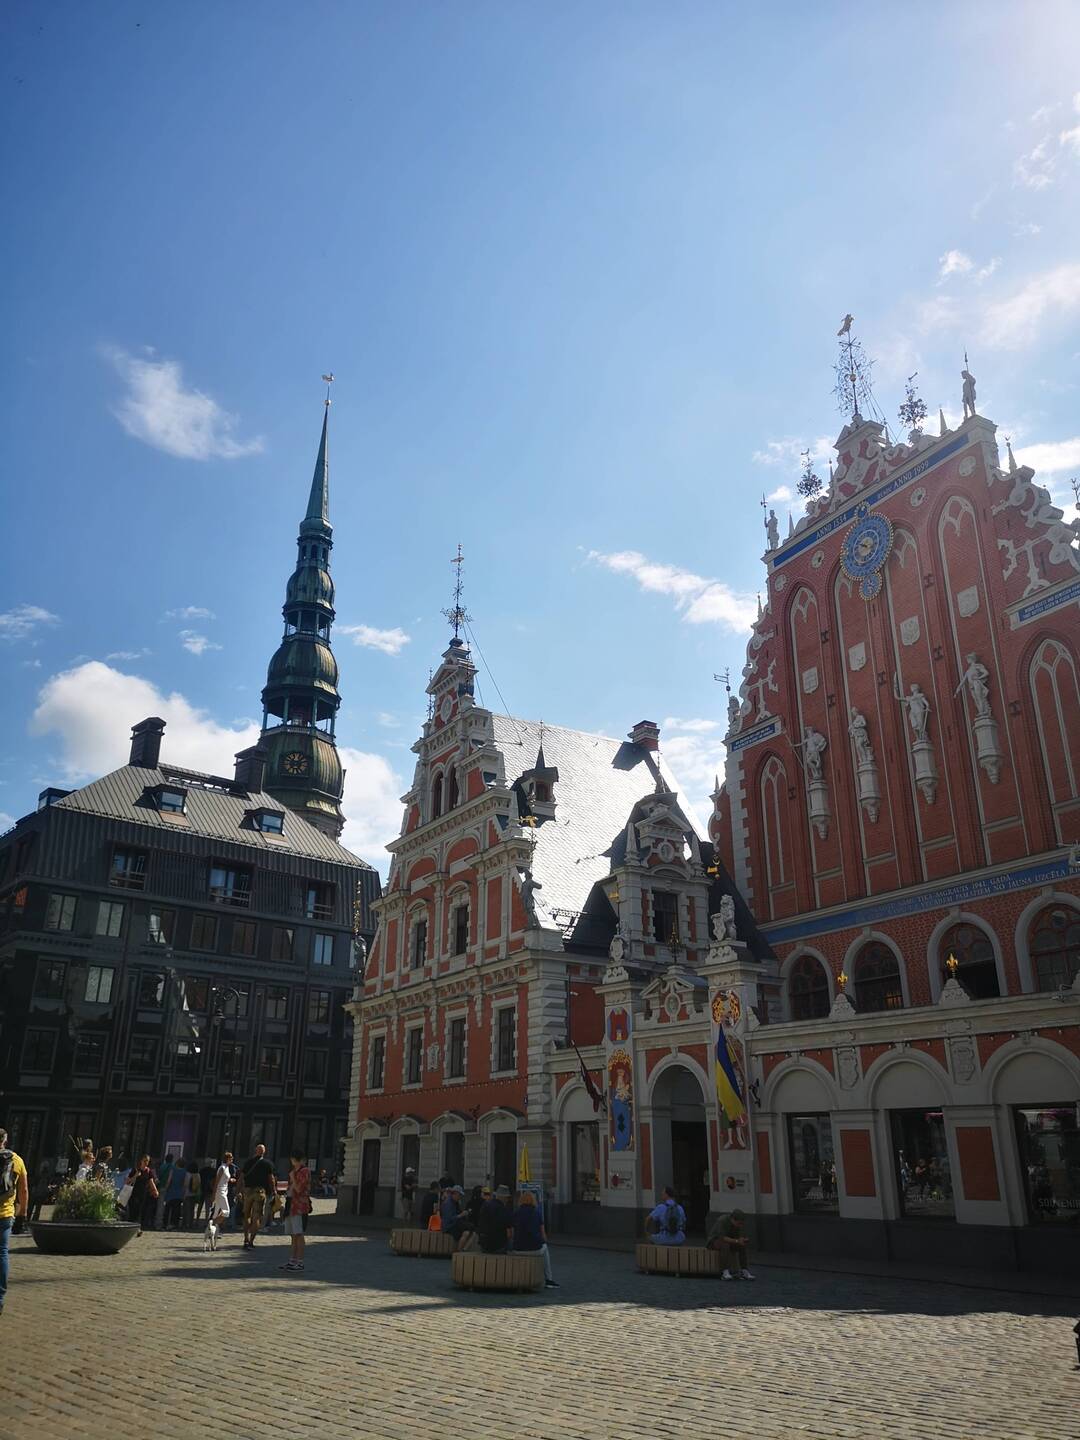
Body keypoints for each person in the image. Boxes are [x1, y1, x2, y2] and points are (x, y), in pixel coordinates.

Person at [0, 1127, 29, 1317]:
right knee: (2, 1253)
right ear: (5, 1140)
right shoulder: (16, 1160)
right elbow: (24, 1190)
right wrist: (22, 1215)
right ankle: (0, 1297)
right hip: (5, 1214)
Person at [511, 1191, 558, 1288]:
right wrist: (543, 1240)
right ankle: (549, 1279)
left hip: (518, 1249)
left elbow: (511, 1233)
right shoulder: (537, 1213)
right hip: (535, 1249)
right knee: (545, 1249)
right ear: (533, 1200)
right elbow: (543, 1234)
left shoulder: (516, 1213)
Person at [280, 1148, 311, 1272]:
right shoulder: (294, 1171)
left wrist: (293, 1177)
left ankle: (300, 1262)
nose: (292, 1162)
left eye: (293, 1160)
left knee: (299, 1234)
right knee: (293, 1235)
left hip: (300, 1207)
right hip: (291, 1206)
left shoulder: (304, 1171)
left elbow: (299, 1189)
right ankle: (292, 1260)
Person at [240, 1144, 276, 1249]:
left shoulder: (248, 1162)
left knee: (245, 1215)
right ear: (264, 1152)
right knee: (256, 1216)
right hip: (259, 1192)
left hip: (248, 1191)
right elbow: (271, 1179)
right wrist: (273, 1191)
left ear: (255, 1151)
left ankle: (245, 1239)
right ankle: (251, 1241)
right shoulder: (267, 1164)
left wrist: (238, 1191)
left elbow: (241, 1177)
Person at [706, 1209, 755, 1280]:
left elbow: (741, 1235)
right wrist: (737, 1241)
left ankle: (744, 1270)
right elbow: (722, 1238)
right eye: (738, 1223)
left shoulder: (739, 1224)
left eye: (741, 1223)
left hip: (730, 1241)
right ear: (732, 1219)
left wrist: (743, 1239)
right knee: (725, 1245)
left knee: (742, 1245)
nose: (740, 1225)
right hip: (714, 1241)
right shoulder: (722, 1221)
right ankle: (725, 1271)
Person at [126, 1155, 159, 1234]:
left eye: (147, 1161)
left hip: (143, 1194)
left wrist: (155, 1191)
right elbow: (128, 1182)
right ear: (141, 1161)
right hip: (133, 1193)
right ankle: (131, 1229)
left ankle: (136, 1229)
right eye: (144, 1160)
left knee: (139, 1212)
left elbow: (151, 1182)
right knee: (133, 1211)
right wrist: (136, 1176)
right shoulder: (135, 1170)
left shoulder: (148, 1171)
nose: (146, 1162)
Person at [476, 1185, 513, 1254]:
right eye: (507, 1198)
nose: (507, 1200)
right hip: (497, 1245)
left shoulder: (485, 1205)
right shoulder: (503, 1209)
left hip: (484, 1244)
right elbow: (509, 1232)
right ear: (503, 1197)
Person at [209, 1152, 233, 1235]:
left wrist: (231, 1180)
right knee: (226, 1212)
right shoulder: (222, 1168)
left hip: (224, 1191)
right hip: (220, 1191)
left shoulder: (227, 1167)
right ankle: (212, 1223)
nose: (232, 1160)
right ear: (227, 1159)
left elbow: (225, 1178)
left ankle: (213, 1231)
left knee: (216, 1212)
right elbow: (217, 1181)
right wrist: (213, 1194)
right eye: (230, 1158)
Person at [163, 1155, 188, 1229]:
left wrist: (166, 1188)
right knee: (176, 1210)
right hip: (179, 1193)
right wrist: (184, 1193)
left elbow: (169, 1181)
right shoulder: (185, 1172)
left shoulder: (173, 1170)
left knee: (167, 1209)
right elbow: (185, 1184)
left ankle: (165, 1223)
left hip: (171, 1192)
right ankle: (174, 1224)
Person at [154, 1154, 174, 1230]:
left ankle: (157, 1223)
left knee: (160, 1205)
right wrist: (167, 1187)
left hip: (160, 1186)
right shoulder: (171, 1167)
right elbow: (169, 1178)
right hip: (166, 1188)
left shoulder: (162, 1166)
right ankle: (161, 1224)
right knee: (164, 1207)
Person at [182, 1162, 200, 1230]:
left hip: (187, 1194)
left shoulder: (188, 1174)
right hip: (194, 1194)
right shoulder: (198, 1174)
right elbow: (199, 1184)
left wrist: (183, 1193)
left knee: (185, 1210)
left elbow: (185, 1184)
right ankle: (190, 1224)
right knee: (192, 1210)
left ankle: (184, 1224)